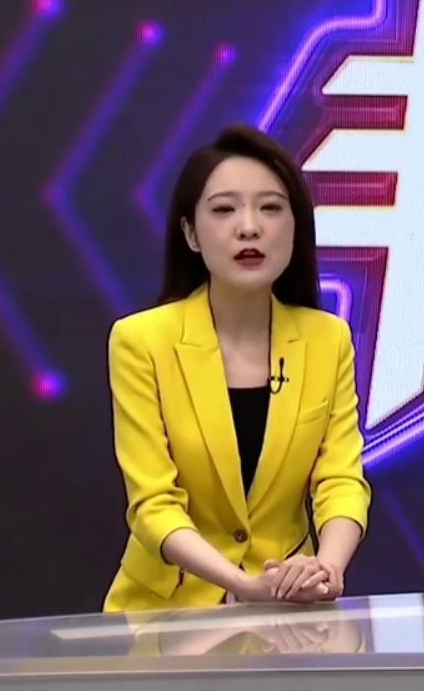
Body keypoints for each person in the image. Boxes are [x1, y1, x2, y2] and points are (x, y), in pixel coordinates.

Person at [104, 125, 370, 612]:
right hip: (165, 613)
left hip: (290, 606)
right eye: (224, 210)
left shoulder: (327, 339)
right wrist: (242, 585)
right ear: (191, 233)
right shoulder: (141, 341)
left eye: (270, 208)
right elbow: (152, 505)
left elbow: (341, 480)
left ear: (296, 226)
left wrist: (327, 568)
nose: (249, 228)